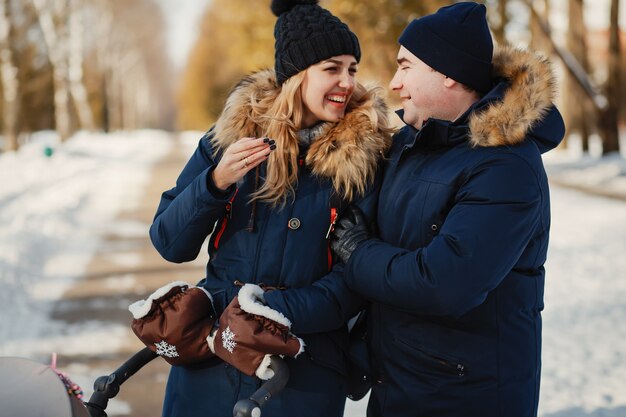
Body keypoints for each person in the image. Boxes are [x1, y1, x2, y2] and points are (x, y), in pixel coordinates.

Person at [148, 0, 392, 416]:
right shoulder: (226, 140)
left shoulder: (361, 159)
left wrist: (269, 312)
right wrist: (215, 183)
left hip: (303, 371)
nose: (347, 82)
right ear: (295, 75)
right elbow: (170, 243)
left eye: (352, 68)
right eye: (332, 68)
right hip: (211, 360)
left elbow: (354, 282)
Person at [330, 2, 566, 417]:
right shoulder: (413, 145)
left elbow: (444, 284)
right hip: (401, 386)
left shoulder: (506, 166)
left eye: (405, 67)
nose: (394, 83)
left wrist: (356, 251)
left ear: (448, 74)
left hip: (464, 396)